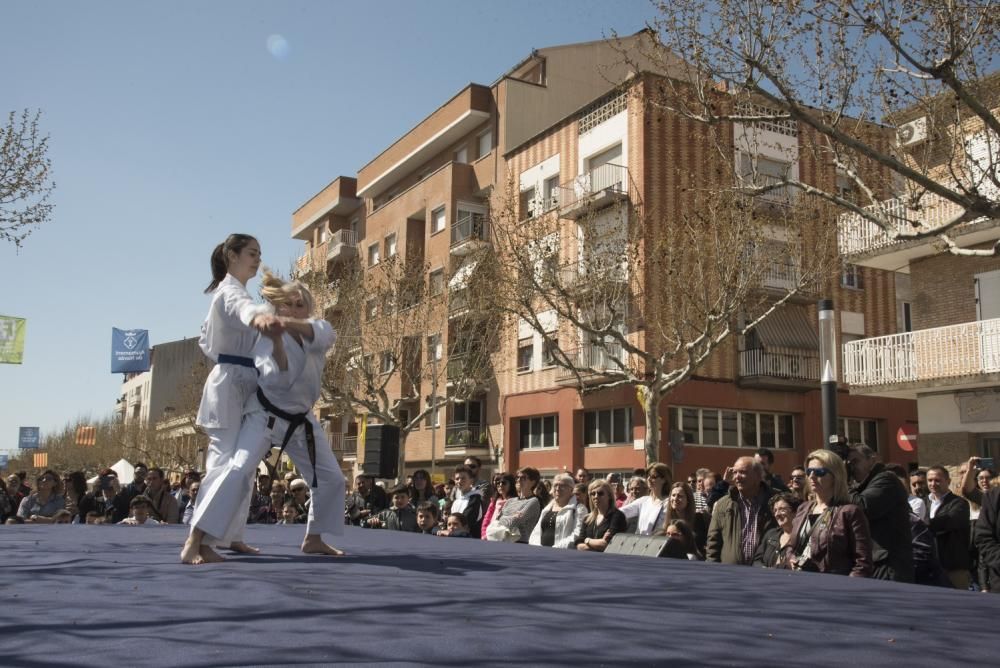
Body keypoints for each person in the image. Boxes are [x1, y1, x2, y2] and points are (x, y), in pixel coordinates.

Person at [183, 266, 346, 563]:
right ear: (277, 305)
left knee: (332, 478)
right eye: (288, 304)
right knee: (239, 470)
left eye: (300, 305)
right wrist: (278, 342)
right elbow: (276, 380)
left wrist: (282, 324)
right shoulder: (264, 340)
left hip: (302, 420)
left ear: (309, 307)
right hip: (265, 416)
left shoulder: (319, 328)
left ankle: (314, 537)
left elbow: (322, 335)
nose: (295, 310)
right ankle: (196, 537)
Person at [184, 234, 283, 563]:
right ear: (232, 255)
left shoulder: (236, 293)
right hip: (228, 382)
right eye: (251, 253)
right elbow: (243, 311)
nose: (257, 259)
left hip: (249, 382)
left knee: (246, 463)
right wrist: (258, 317)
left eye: (259, 253)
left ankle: (232, 535)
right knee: (222, 462)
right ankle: (199, 541)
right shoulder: (229, 293)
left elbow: (205, 339)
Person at [784, 450, 872, 577]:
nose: (812, 476)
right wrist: (791, 558)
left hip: (834, 587)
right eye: (809, 472)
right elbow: (790, 546)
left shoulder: (849, 512)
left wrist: (847, 589)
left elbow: (863, 563)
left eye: (820, 472)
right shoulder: (803, 508)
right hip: (801, 582)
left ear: (835, 476)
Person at [842, 444, 914, 583]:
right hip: (874, 561)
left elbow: (863, 507)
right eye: (849, 463)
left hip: (889, 564)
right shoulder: (864, 485)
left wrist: (843, 481)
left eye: (856, 461)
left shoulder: (886, 479)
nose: (852, 467)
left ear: (872, 459)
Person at [705, 456, 776, 565]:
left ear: (758, 476)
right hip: (731, 574)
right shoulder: (723, 504)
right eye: (735, 473)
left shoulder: (775, 501)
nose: (737, 477)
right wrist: (713, 569)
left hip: (765, 573)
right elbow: (713, 542)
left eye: (742, 472)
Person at [926, 465, 971, 590]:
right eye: (930, 480)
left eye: (937, 480)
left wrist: (923, 524)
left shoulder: (959, 504)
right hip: (929, 567)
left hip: (953, 567)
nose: (933, 483)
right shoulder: (924, 502)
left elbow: (947, 522)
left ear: (948, 481)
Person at [529, 473, 586, 548]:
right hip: (540, 553)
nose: (557, 488)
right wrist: (537, 547)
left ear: (571, 490)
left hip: (562, 554)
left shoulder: (579, 509)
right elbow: (536, 532)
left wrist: (556, 548)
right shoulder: (547, 508)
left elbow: (577, 534)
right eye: (555, 485)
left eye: (562, 486)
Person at [486, 467, 541, 543]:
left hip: (520, 544)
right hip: (502, 541)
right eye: (517, 477)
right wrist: (512, 517)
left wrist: (505, 518)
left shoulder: (533, 501)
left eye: (523, 477)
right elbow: (496, 520)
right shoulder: (510, 501)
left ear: (533, 482)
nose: (519, 480)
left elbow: (515, 521)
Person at [619, 463, 673, 536]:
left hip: (659, 543)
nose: (649, 479)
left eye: (653, 477)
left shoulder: (669, 502)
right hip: (641, 543)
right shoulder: (643, 501)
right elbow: (621, 513)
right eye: (648, 476)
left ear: (664, 479)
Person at [575, 480, 628, 552]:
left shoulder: (617, 516)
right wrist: (598, 544)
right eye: (593, 494)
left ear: (609, 496)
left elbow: (607, 545)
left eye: (600, 493)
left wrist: (587, 540)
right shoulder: (587, 519)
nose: (596, 496)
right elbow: (578, 545)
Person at [752, 493, 801, 568]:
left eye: (782, 509)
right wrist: (763, 569)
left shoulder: (802, 537)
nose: (777, 514)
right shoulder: (771, 535)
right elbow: (757, 561)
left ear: (795, 511)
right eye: (775, 511)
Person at [663, 482, 709, 552]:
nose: (675, 499)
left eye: (680, 496)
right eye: (673, 495)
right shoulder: (667, 521)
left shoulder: (700, 519)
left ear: (688, 499)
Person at [442, 465, 484, 537]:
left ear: (471, 480)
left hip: (470, 541)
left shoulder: (475, 499)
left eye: (463, 478)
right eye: (457, 479)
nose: (460, 481)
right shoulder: (456, 501)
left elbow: (466, 522)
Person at [480, 473, 516, 541]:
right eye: (498, 483)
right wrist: (484, 534)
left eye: (504, 483)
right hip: (489, 537)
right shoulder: (494, 501)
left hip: (506, 539)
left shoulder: (515, 502)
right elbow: (486, 519)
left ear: (511, 485)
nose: (500, 485)